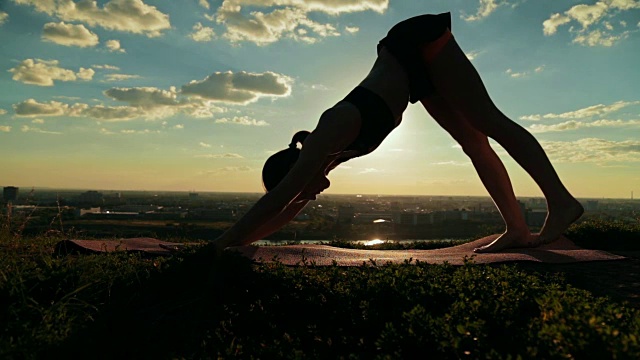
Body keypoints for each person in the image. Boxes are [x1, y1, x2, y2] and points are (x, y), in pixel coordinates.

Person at [212, 12, 583, 253]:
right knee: (473, 143)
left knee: (486, 119)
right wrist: (242, 242)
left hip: (413, 43)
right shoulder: (329, 158)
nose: (309, 198)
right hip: (415, 77)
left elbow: (279, 199)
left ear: (297, 171)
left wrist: (222, 240)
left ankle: (561, 201)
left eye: (303, 190)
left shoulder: (329, 132)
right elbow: (285, 210)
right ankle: (517, 229)